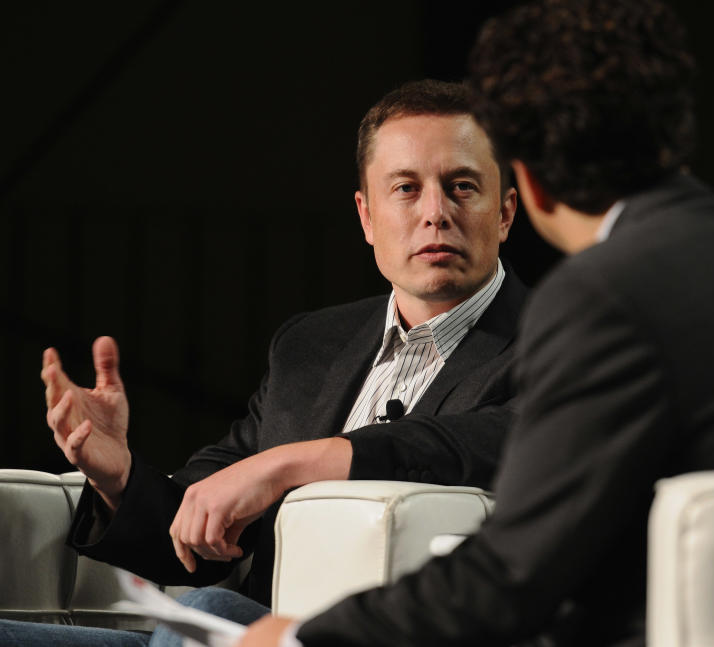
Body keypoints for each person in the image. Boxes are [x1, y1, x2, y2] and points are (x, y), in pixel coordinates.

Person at [238, 1, 714, 645]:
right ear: (675, 139)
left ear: (525, 188)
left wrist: (302, 635)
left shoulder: (607, 293)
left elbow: (508, 581)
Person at [0, 79, 524, 647]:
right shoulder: (311, 346)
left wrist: (289, 465)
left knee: (210, 609)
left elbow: (474, 444)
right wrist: (120, 477)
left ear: (504, 212)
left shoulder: (555, 342)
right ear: (367, 216)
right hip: (232, 639)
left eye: (462, 186)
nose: (435, 214)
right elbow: (201, 538)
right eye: (405, 188)